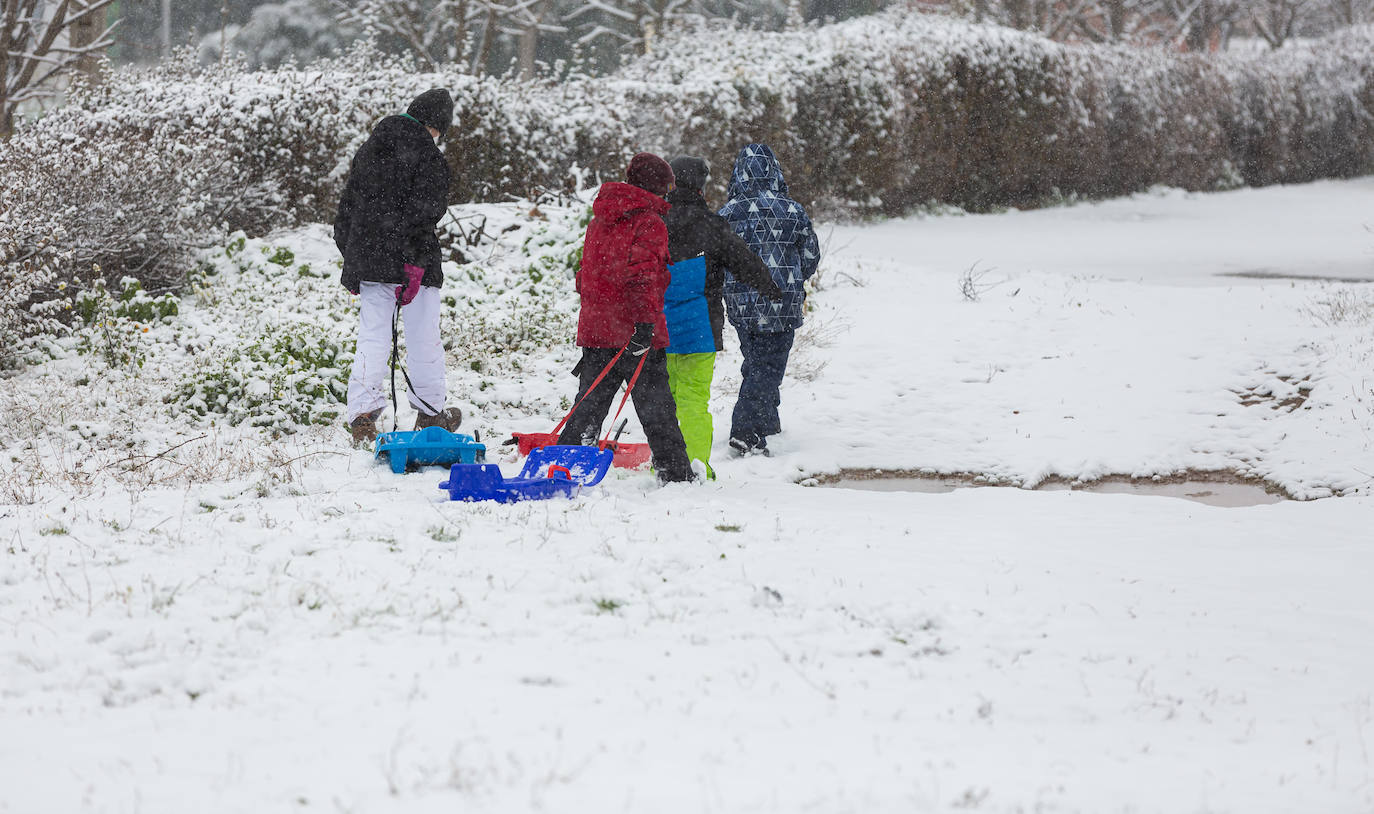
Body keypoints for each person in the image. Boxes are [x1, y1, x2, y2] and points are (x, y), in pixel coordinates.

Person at [556, 153, 695, 484]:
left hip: (597, 328)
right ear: (657, 187)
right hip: (636, 329)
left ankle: (564, 466)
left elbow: (585, 276)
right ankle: (675, 475)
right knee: (657, 408)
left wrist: (601, 306)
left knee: (587, 407)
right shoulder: (649, 223)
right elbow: (643, 277)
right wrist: (645, 325)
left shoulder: (599, 221)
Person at [334, 88, 463, 445]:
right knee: (423, 336)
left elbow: (347, 207)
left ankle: (362, 416)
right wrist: (415, 263)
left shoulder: (371, 148)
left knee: (372, 335)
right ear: (435, 126)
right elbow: (423, 215)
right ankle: (431, 414)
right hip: (413, 261)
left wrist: (353, 259)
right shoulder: (429, 157)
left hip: (370, 257)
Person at [663, 155, 783, 478]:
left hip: (659, 331)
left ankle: (664, 463)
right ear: (702, 186)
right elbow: (744, 262)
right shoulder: (712, 226)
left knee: (666, 402)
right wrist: (770, 286)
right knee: (693, 400)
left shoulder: (654, 223)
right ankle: (695, 465)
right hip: (699, 331)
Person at [718, 144, 821, 457]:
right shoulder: (792, 210)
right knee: (767, 367)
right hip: (781, 302)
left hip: (740, 305)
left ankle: (768, 422)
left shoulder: (726, 213)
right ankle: (745, 430)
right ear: (774, 170)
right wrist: (791, 277)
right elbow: (810, 256)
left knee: (757, 363)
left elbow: (716, 260)